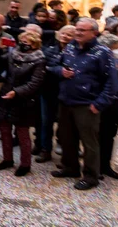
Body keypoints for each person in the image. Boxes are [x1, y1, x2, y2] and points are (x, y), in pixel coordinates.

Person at [51, 18, 118, 190]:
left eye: (83, 30)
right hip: (66, 102)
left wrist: (99, 104)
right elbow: (54, 66)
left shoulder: (102, 52)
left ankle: (91, 176)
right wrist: (61, 72)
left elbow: (112, 83)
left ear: (94, 33)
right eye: (77, 29)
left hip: (87, 105)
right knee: (67, 138)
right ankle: (70, 167)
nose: (78, 33)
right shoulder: (70, 47)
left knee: (89, 143)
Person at [0, 31, 46, 177]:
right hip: (6, 95)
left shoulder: (39, 60)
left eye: (27, 41)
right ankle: (7, 159)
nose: (23, 43)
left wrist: (16, 92)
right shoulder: (13, 54)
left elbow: (35, 83)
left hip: (24, 100)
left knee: (22, 133)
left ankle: (25, 164)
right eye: (22, 40)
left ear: (34, 44)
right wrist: (0, 49)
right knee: (4, 129)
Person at [35, 25, 75, 163]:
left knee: (65, 125)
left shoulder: (76, 52)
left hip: (67, 93)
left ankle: (66, 152)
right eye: (63, 33)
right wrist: (59, 70)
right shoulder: (49, 49)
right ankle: (45, 150)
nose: (65, 36)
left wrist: (56, 69)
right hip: (48, 91)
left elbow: (73, 71)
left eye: (69, 35)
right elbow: (45, 67)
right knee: (46, 122)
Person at [95, 33, 118, 180]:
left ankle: (106, 166)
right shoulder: (98, 59)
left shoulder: (116, 61)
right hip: (101, 102)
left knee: (109, 136)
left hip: (114, 103)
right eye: (115, 48)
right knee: (98, 136)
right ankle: (96, 167)